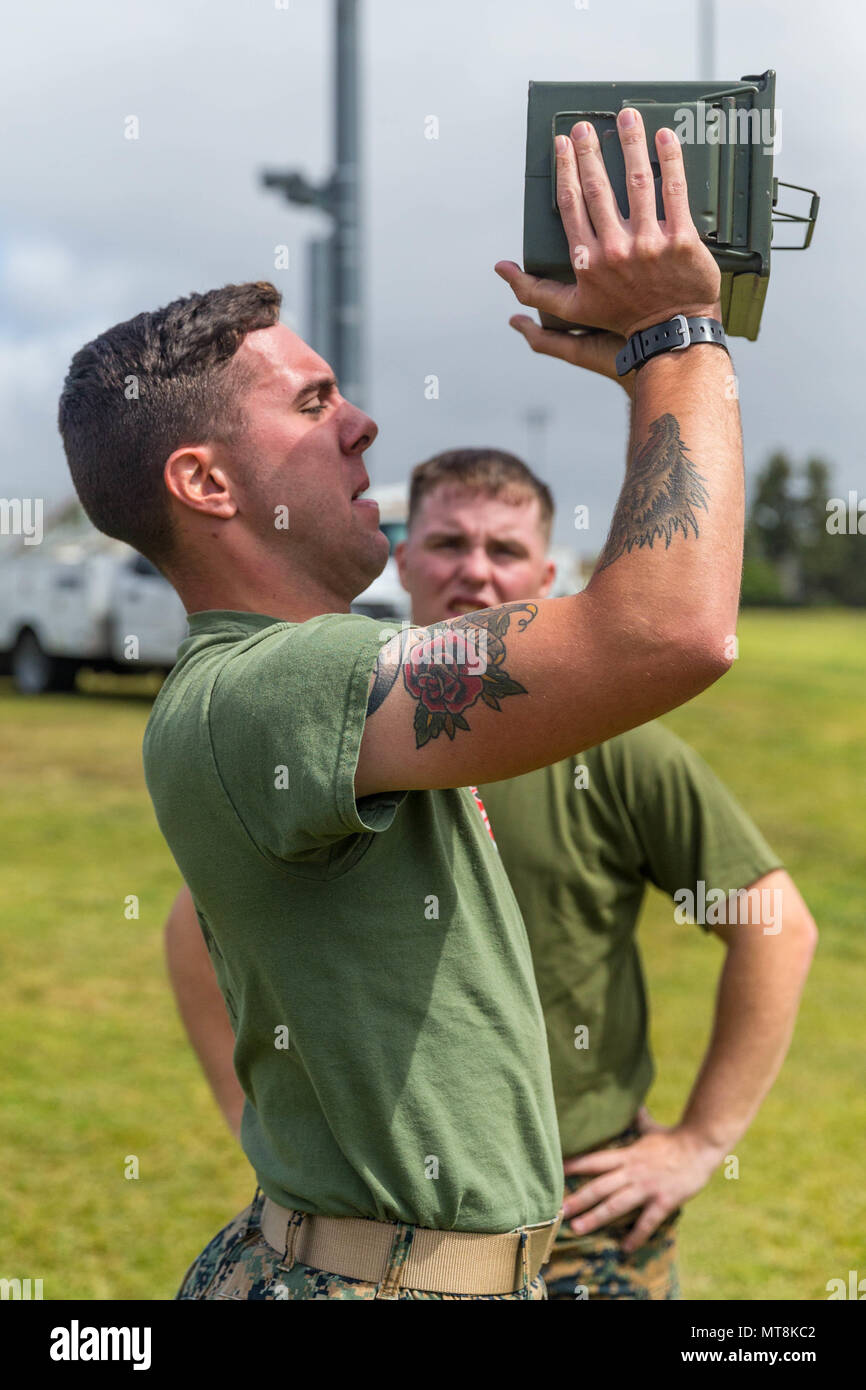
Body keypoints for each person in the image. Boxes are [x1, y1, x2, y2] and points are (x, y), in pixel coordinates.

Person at [58, 111, 745, 1300]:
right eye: (315, 402)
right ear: (206, 481)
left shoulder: (286, 678)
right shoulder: (269, 687)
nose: (365, 423)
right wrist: (676, 342)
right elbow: (668, 628)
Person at [166, 447, 817, 1301]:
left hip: (586, 1221)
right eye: (448, 543)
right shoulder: (343, 731)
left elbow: (777, 924)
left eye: (505, 551)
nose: (474, 570)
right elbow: (196, 918)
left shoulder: (616, 751)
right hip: (390, 1239)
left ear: (547, 576)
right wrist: (247, 1115)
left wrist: (698, 1143)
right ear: (403, 559)